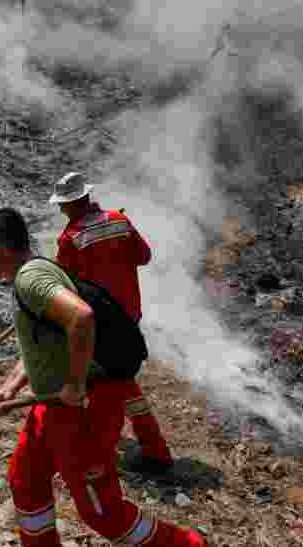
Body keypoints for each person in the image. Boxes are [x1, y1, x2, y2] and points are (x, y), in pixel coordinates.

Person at [0, 208, 206, 547]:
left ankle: (187, 545)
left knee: (104, 514)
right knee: (26, 479)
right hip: (53, 409)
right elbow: (45, 343)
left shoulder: (31, 279)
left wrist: (73, 385)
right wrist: (12, 386)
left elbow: (81, 318)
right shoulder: (35, 273)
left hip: (83, 410)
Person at [50, 171, 176, 474]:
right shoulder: (119, 221)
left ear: (72, 203)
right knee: (121, 380)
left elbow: (65, 285)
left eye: (62, 204)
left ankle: (143, 452)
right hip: (129, 316)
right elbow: (144, 257)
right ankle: (145, 447)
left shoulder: (71, 238)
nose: (60, 209)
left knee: (110, 384)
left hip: (102, 324)